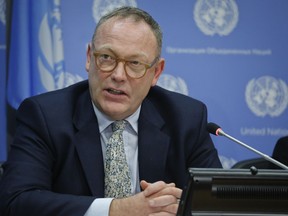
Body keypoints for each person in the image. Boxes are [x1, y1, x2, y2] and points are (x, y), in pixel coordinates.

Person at [0, 6, 222, 216]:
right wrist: (118, 210)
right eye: (106, 57)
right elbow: (17, 201)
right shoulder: (45, 116)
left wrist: (179, 208)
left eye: (135, 63)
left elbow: (220, 204)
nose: (118, 75)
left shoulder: (186, 118)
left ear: (156, 72)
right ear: (89, 57)